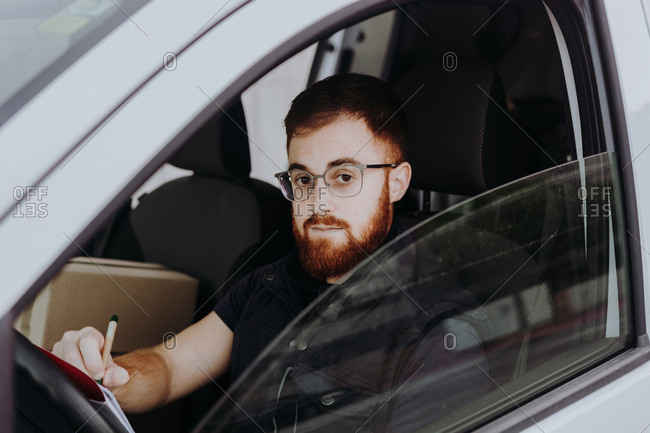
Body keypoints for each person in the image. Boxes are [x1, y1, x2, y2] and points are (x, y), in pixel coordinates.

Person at [53, 73, 490, 432]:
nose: (318, 203)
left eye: (342, 177)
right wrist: (106, 376)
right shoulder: (270, 281)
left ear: (396, 182)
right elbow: (169, 367)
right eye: (303, 180)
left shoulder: (436, 331)